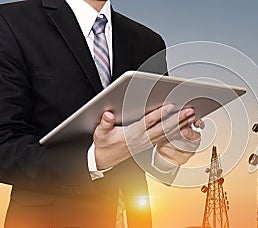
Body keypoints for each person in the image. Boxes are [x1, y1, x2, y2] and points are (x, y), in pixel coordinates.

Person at [0, 0, 201, 227]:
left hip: (133, 219)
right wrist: (93, 161)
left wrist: (167, 154)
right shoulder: (10, 22)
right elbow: (4, 145)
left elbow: (144, 143)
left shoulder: (149, 42)